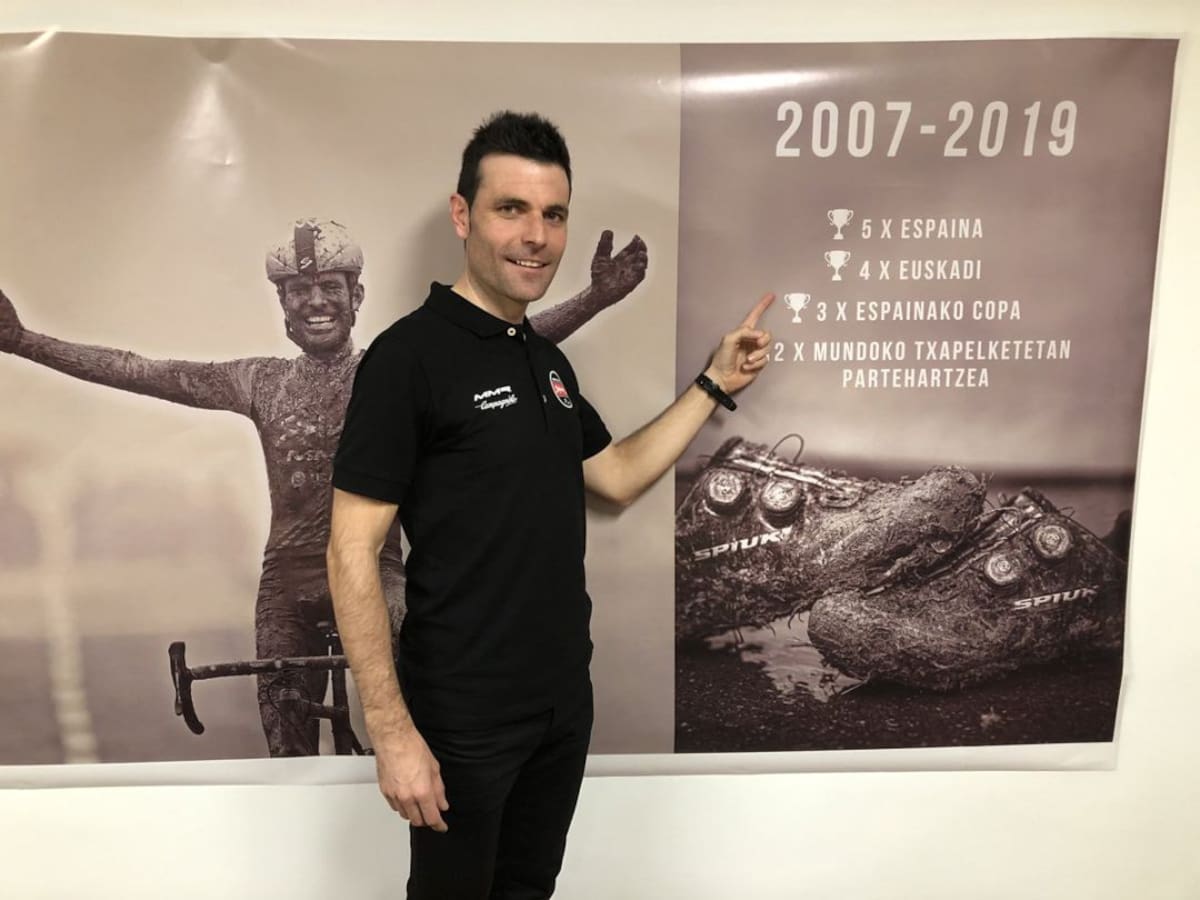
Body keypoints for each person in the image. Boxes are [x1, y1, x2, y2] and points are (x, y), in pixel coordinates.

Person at [326, 110, 772, 899]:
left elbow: (617, 474)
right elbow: (350, 550)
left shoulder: (545, 360)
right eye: (511, 209)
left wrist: (714, 384)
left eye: (553, 214)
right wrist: (392, 735)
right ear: (463, 214)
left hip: (562, 703)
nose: (536, 236)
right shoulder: (407, 359)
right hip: (464, 714)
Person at [0, 219, 647, 757]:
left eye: (329, 288)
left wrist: (594, 299)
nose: (315, 302)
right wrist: (24, 343)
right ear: (282, 306)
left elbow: (503, 344)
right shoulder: (260, 381)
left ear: (356, 296)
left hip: (376, 576)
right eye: (299, 291)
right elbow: (141, 370)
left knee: (426, 715)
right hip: (286, 585)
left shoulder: (395, 368)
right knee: (286, 751)